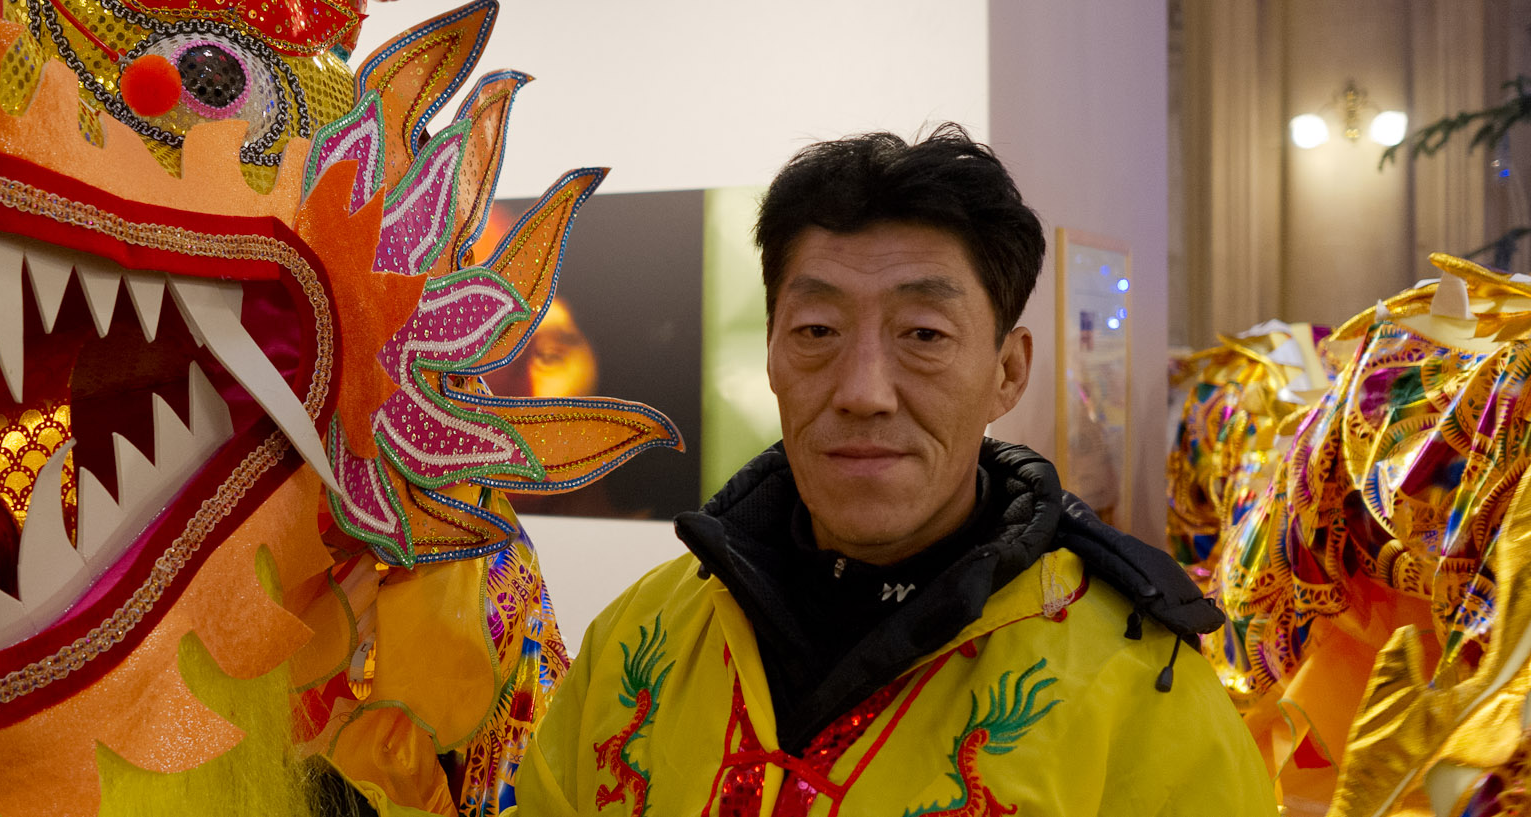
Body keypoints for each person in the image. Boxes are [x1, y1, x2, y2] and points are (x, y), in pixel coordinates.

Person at [516, 127, 1275, 815]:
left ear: (1008, 373)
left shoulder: (1141, 689)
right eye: (818, 330)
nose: (863, 392)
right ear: (773, 356)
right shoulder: (641, 635)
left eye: (923, 333)